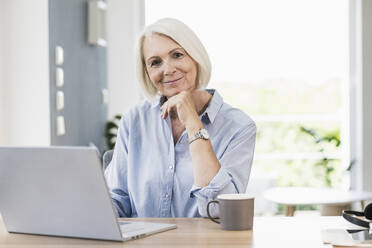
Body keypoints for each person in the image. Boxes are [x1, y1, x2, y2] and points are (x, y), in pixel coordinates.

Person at [104, 18, 256, 218]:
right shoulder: (135, 120)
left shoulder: (239, 127)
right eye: (155, 62)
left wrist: (194, 125)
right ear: (147, 72)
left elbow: (221, 211)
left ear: (195, 57)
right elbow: (117, 199)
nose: (167, 70)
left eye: (177, 55)